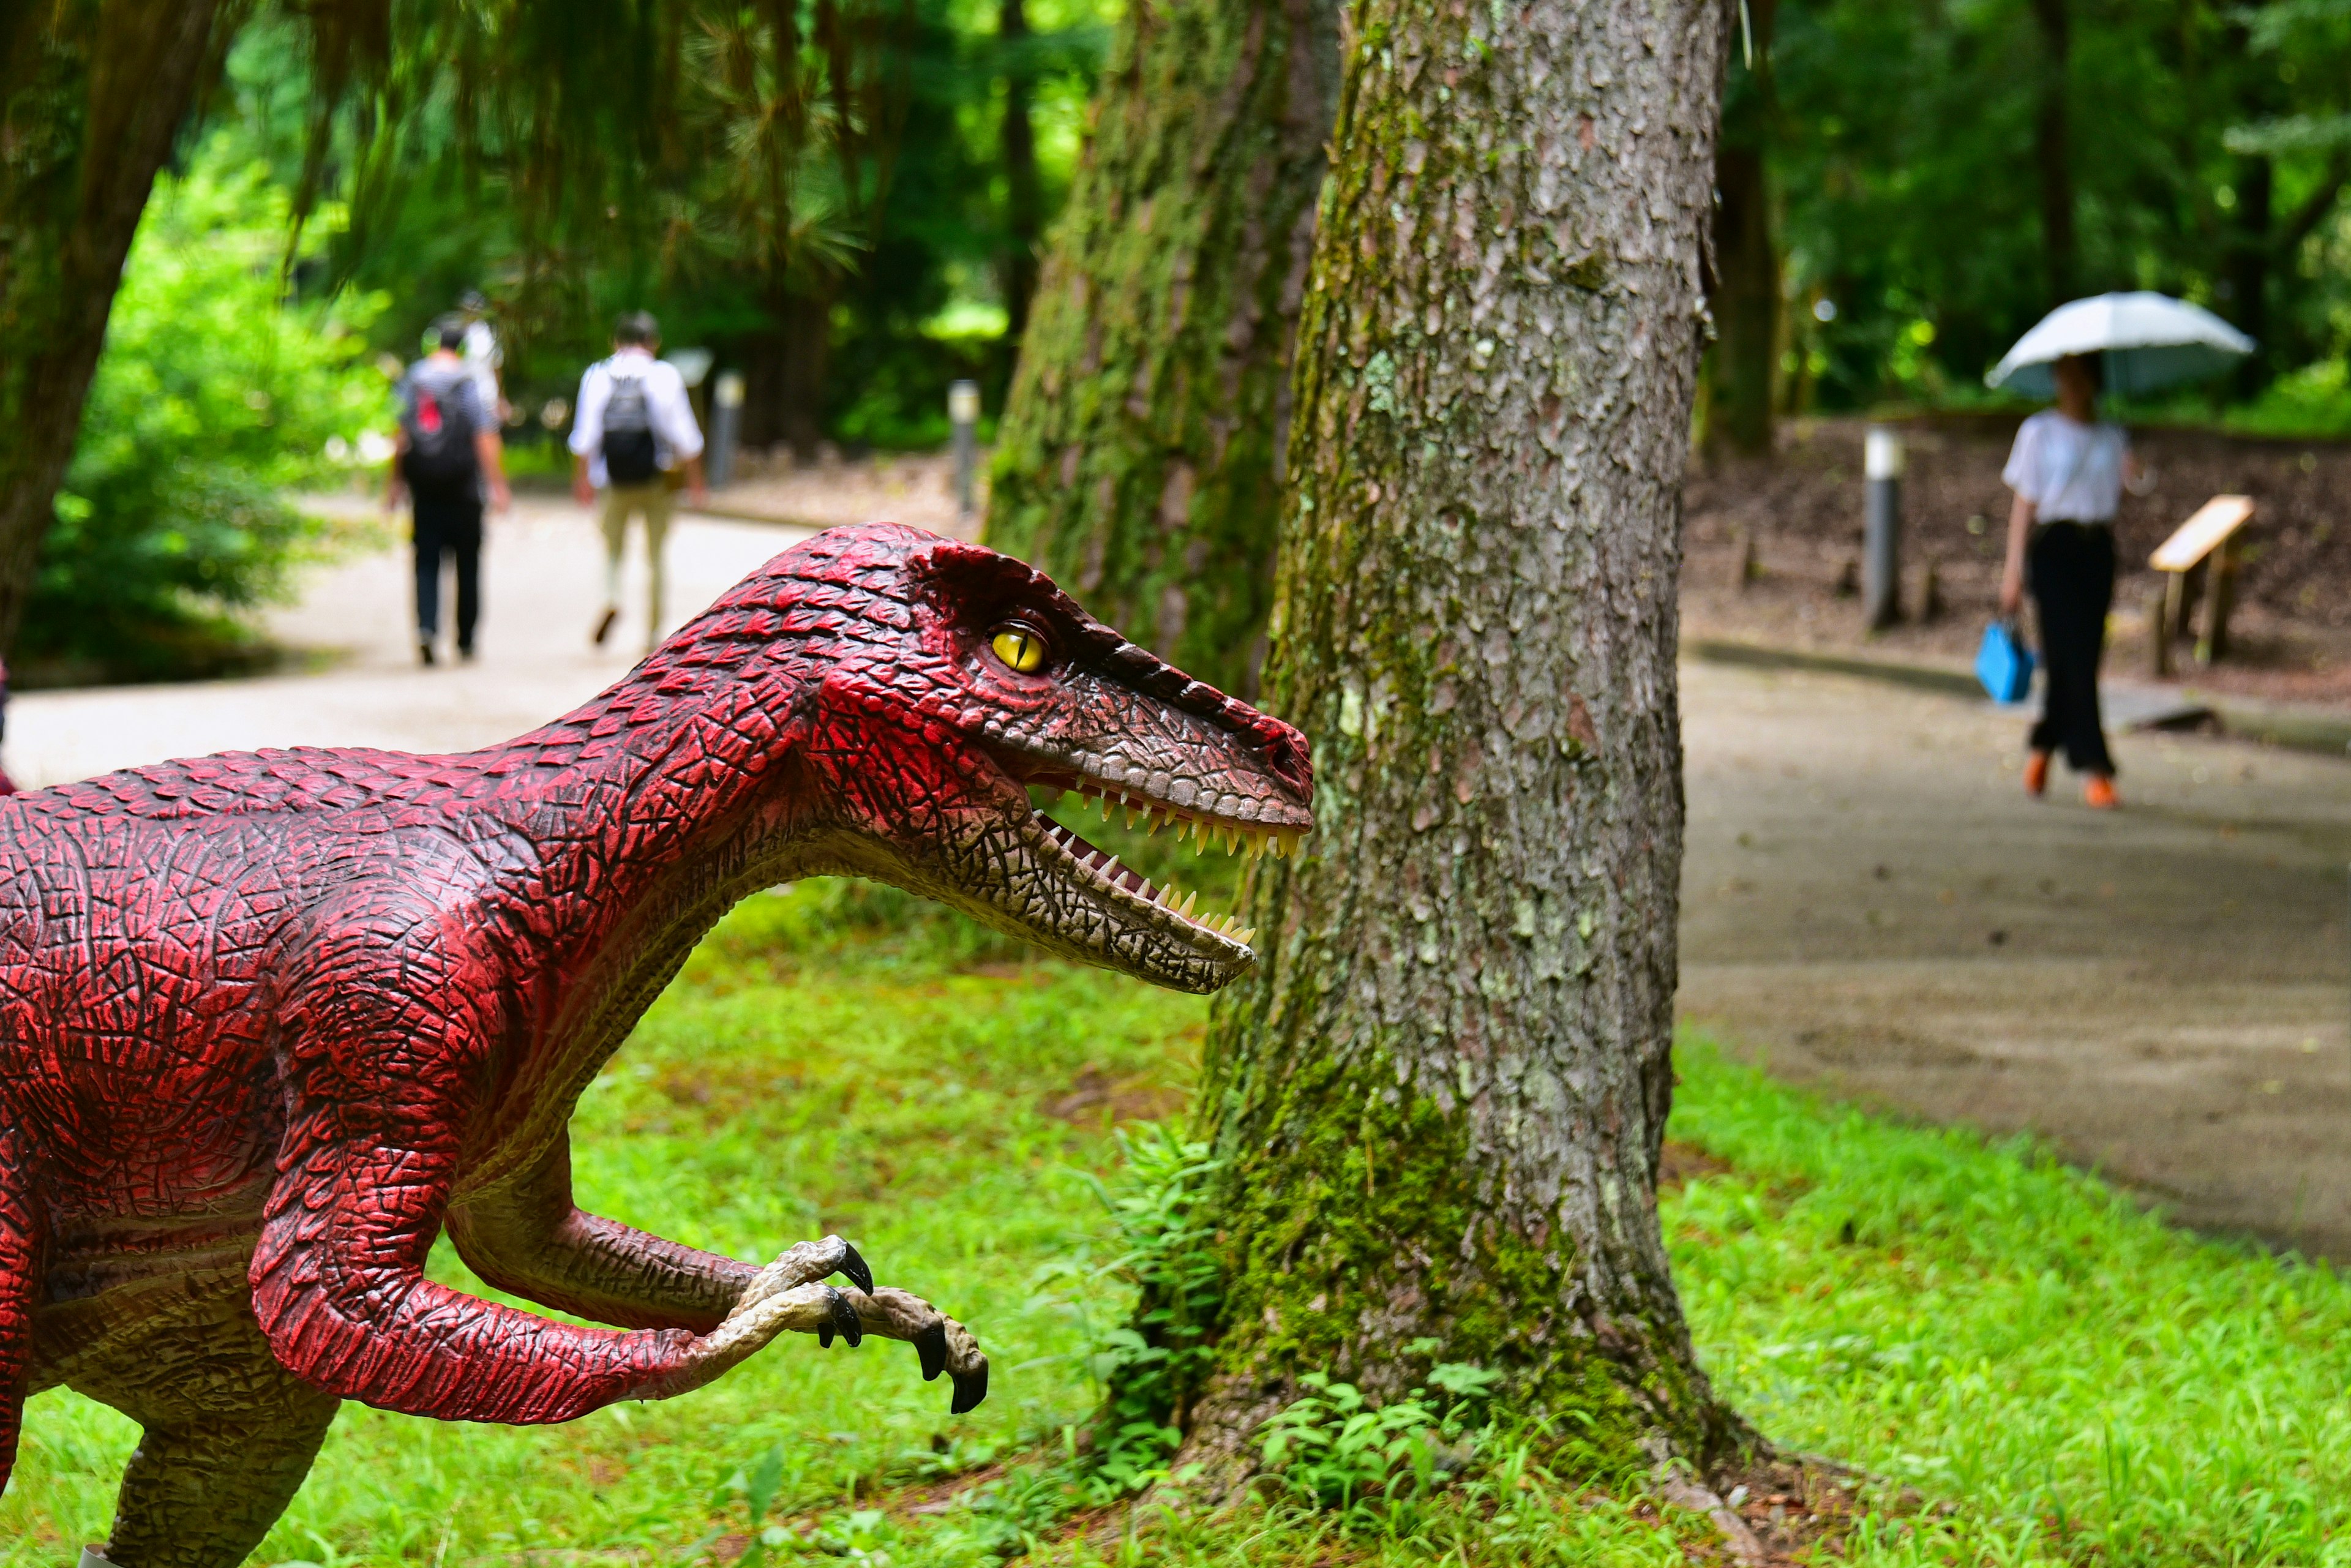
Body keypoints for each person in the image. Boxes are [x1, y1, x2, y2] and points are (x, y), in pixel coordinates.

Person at [1998, 351, 2139, 809]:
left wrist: (2137, 474)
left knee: (2080, 658)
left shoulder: (2114, 435)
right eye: (2066, 374)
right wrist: (2013, 570)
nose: (2075, 384)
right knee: (2069, 656)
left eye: (2083, 375)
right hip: (2054, 550)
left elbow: (2127, 494)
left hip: (2096, 551)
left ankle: (2042, 747)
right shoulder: (2039, 432)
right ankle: (2094, 767)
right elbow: (2025, 503)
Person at [569, 312, 707, 653]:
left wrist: (582, 479)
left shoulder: (598, 375)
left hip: (613, 480)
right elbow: (685, 435)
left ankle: (612, 597)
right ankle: (653, 632)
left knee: (614, 551)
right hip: (655, 479)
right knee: (656, 556)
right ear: (653, 343)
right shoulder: (664, 375)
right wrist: (696, 481)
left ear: (616, 342)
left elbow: (585, 435)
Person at [386, 315, 512, 666]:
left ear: (434, 343)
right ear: (461, 347)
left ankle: (427, 628)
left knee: (426, 562)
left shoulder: (413, 379)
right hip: (465, 489)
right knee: (468, 563)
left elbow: (400, 435)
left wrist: (395, 484)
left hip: (425, 488)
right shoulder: (468, 381)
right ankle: (467, 640)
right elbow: (484, 434)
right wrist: (498, 486)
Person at [456, 289, 507, 427]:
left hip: (486, 395)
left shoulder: (487, 335)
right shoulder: (457, 334)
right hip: (461, 397)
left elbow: (496, 367)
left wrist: (501, 397)